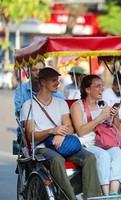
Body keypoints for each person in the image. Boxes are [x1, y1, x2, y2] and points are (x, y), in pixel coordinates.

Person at [20, 68, 101, 200]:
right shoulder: (28, 106)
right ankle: (69, 198)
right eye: (54, 80)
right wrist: (51, 131)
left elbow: (69, 127)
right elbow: (31, 135)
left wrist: (60, 134)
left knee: (89, 158)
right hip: (42, 147)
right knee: (57, 160)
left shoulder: (61, 103)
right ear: (43, 82)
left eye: (58, 80)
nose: (58, 83)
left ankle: (92, 197)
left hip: (63, 143)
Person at [70, 74, 121, 196]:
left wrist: (115, 115)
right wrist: (100, 118)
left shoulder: (103, 104)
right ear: (88, 90)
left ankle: (113, 193)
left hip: (103, 142)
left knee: (118, 153)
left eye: (102, 86)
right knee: (104, 156)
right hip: (86, 144)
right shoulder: (77, 106)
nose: (102, 89)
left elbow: (114, 127)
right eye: (98, 86)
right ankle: (105, 194)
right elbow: (80, 131)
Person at [14, 60, 65, 141]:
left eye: (41, 70)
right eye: (34, 70)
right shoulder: (21, 90)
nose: (38, 73)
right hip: (30, 132)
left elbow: (65, 105)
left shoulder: (53, 91)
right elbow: (19, 113)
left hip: (54, 131)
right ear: (28, 72)